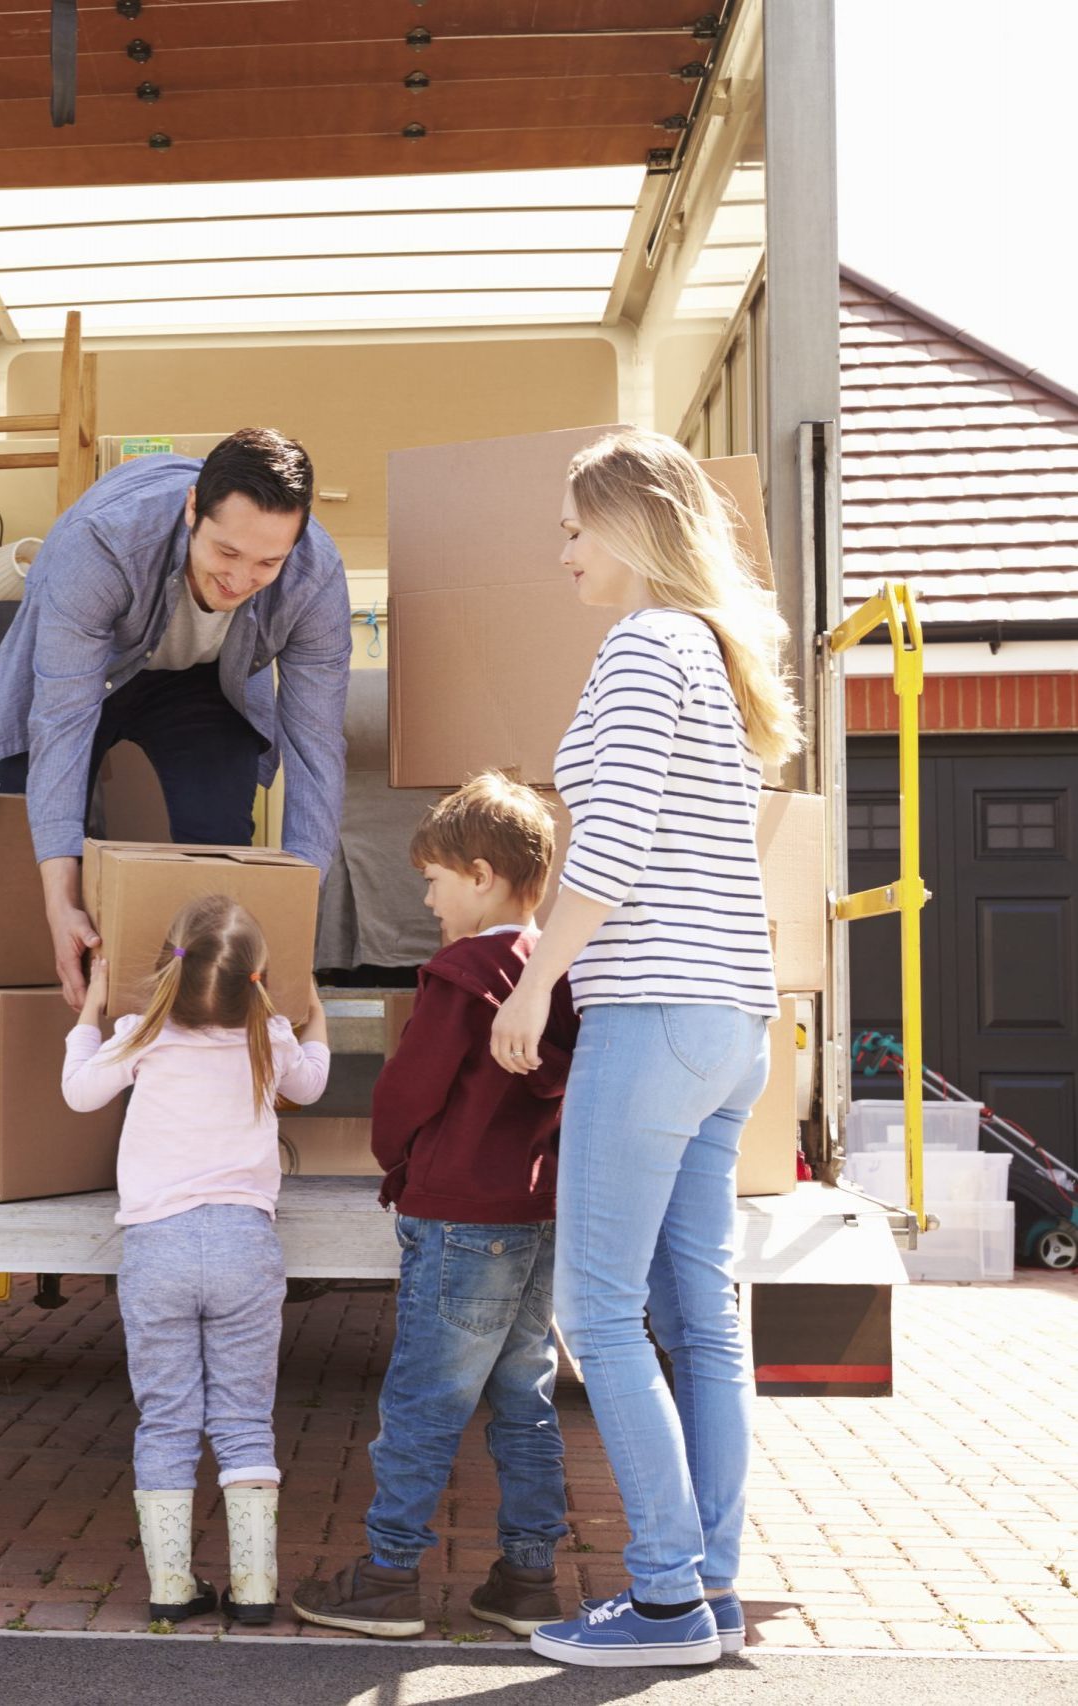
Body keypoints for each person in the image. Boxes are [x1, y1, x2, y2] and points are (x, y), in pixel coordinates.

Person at [489, 430, 801, 1668]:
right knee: (699, 1319)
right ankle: (708, 1586)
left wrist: (536, 982)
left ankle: (665, 1597)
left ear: (629, 524)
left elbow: (609, 848)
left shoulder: (640, 648)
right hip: (730, 1023)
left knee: (598, 1309)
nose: (565, 551)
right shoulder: (710, 655)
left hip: (655, 1012)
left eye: (576, 528)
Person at [290, 772, 579, 1641]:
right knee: (525, 1401)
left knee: (423, 1401)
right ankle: (526, 1579)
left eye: (433, 880)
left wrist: (399, 1160)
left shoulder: (460, 975)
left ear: (480, 877)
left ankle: (385, 1578)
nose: (425, 899)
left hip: (458, 1217)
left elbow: (406, 1092)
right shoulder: (555, 973)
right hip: (534, 1215)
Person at [0, 429, 352, 1007]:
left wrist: (295, 920)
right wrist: (60, 902)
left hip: (205, 681)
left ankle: (201, 1020)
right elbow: (61, 720)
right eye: (226, 553)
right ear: (192, 509)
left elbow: (316, 746)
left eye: (267, 563)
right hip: (88, 670)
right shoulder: (103, 543)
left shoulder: (316, 576)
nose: (240, 580)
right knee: (33, 855)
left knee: (219, 834)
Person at [59, 893, 331, 1625]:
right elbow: (312, 1082)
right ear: (258, 979)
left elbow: (79, 1093)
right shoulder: (268, 1037)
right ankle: (255, 1589)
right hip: (245, 1245)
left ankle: (172, 1587)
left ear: (166, 968)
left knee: (167, 1419)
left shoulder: (141, 1036)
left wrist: (90, 1011)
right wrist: (314, 1013)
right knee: (244, 1418)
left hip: (159, 1249)